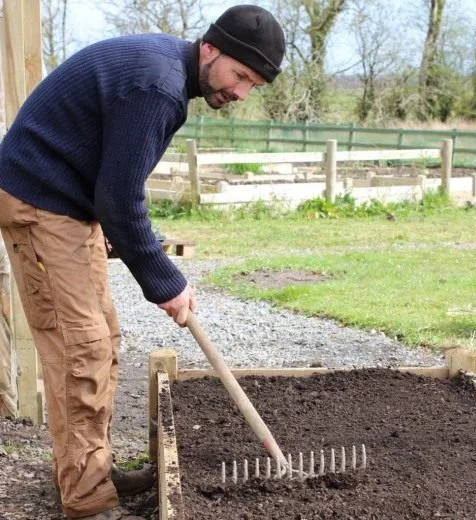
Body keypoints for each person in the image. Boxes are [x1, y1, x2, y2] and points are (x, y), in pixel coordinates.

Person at [0, 5, 285, 519]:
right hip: (39, 200)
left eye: (253, 85)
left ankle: (90, 470)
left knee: (103, 337)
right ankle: (87, 499)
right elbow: (121, 198)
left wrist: (139, 250)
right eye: (240, 75)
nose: (240, 93)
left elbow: (114, 184)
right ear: (210, 48)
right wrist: (164, 280)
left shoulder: (166, 74)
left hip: (70, 200)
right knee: (80, 347)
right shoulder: (158, 87)